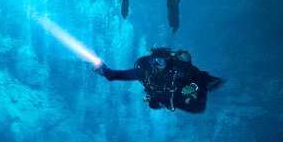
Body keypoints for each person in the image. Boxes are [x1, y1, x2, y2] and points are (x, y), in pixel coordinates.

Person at [94, 47, 223, 113]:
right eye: (153, 61)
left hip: (179, 95)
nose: (155, 65)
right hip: (164, 99)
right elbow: (120, 75)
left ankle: (210, 87)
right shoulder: (144, 72)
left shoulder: (178, 70)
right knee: (154, 104)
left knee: (199, 107)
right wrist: (105, 71)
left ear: (167, 62)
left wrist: (194, 86)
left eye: (160, 61)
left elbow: (198, 77)